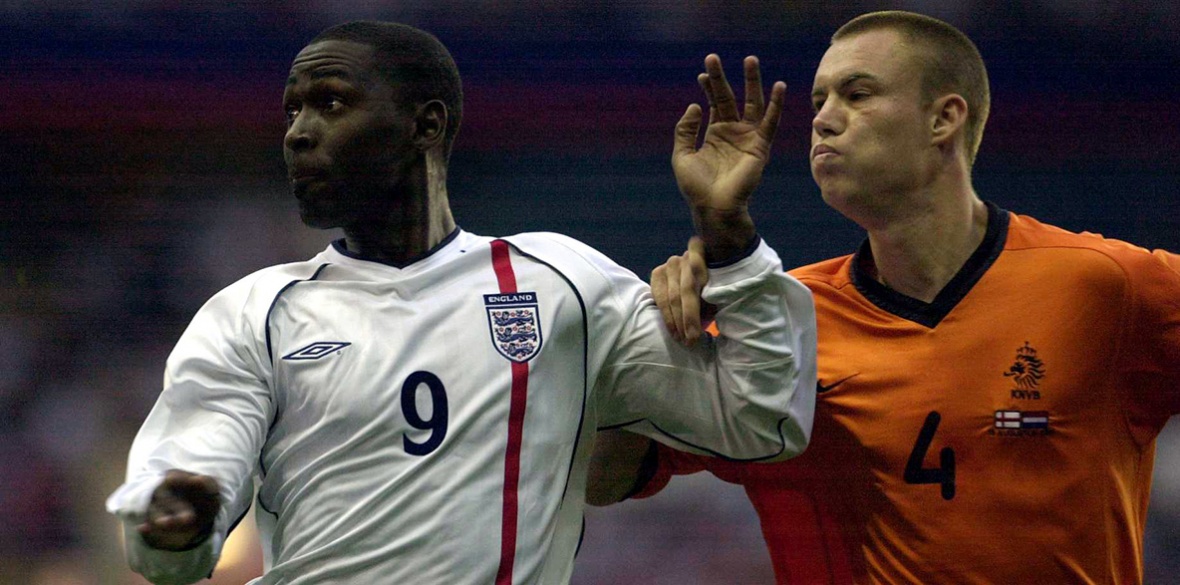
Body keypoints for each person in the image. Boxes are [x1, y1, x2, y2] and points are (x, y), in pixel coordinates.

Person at [104, 20, 818, 585]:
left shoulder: (561, 283)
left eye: (329, 102)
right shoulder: (252, 312)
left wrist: (728, 236)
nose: (297, 131)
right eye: (292, 109)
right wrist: (176, 513)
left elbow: (763, 419)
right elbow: (180, 507)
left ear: (426, 124)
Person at [588, 10, 1180, 584]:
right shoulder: (779, 328)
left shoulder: (1106, 288)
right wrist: (658, 339)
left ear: (943, 118)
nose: (822, 119)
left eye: (857, 94)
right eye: (819, 102)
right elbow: (601, 477)